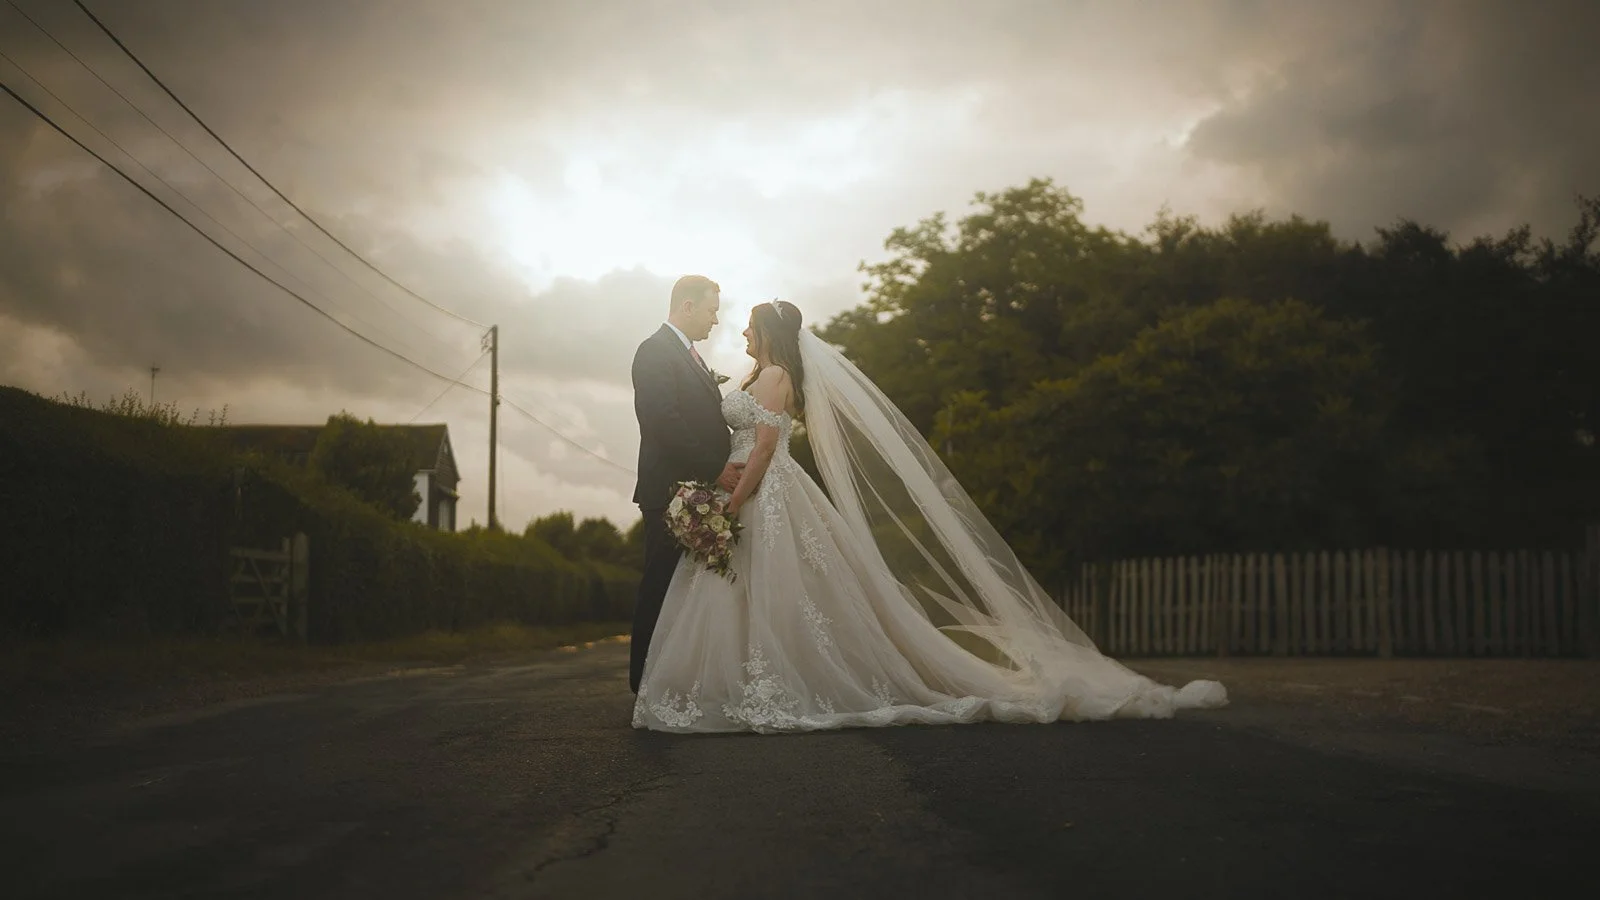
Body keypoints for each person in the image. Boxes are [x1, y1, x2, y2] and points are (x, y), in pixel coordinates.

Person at [632, 299, 1227, 733]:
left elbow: (763, 448)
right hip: (745, 489)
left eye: (749, 325)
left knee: (780, 586)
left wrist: (730, 505)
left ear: (768, 333)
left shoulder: (779, 375)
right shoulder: (754, 375)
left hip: (764, 491)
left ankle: (777, 681)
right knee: (741, 587)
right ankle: (733, 677)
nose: (739, 329)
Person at [627, 275, 742, 694]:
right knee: (660, 585)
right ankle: (643, 685)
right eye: (712, 310)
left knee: (688, 591)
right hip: (669, 492)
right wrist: (714, 468)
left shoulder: (688, 355)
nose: (715, 320)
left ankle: (679, 680)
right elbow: (662, 419)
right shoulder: (654, 351)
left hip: (696, 491)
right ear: (688, 307)